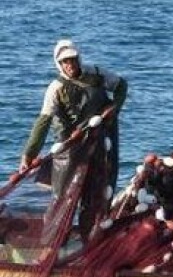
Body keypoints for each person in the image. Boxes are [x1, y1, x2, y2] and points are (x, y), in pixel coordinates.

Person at [20, 39, 127, 238]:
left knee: (97, 191)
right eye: (65, 62)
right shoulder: (56, 88)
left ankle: (91, 238)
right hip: (71, 145)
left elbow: (121, 85)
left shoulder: (97, 74)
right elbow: (43, 123)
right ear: (58, 64)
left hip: (100, 140)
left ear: (78, 58)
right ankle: (51, 243)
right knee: (63, 196)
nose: (70, 65)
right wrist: (29, 154)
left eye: (72, 59)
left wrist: (115, 107)